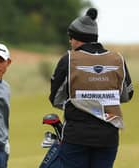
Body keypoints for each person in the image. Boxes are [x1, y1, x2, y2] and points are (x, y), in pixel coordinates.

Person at [40, 8, 134, 168]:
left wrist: (80, 103)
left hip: (76, 137)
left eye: (71, 37)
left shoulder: (69, 59)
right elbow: (127, 95)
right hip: (108, 137)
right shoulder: (117, 59)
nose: (70, 41)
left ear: (78, 38)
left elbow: (55, 98)